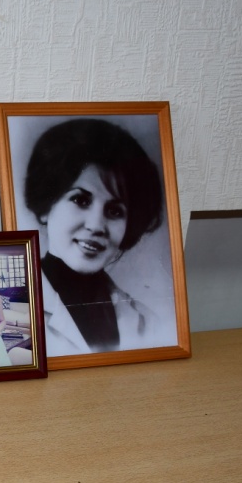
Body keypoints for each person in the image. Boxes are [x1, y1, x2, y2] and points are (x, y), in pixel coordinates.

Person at [24, 118, 164, 355]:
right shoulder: (14, 312)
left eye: (115, 211)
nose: (97, 225)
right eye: (80, 200)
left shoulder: (148, 324)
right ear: (47, 205)